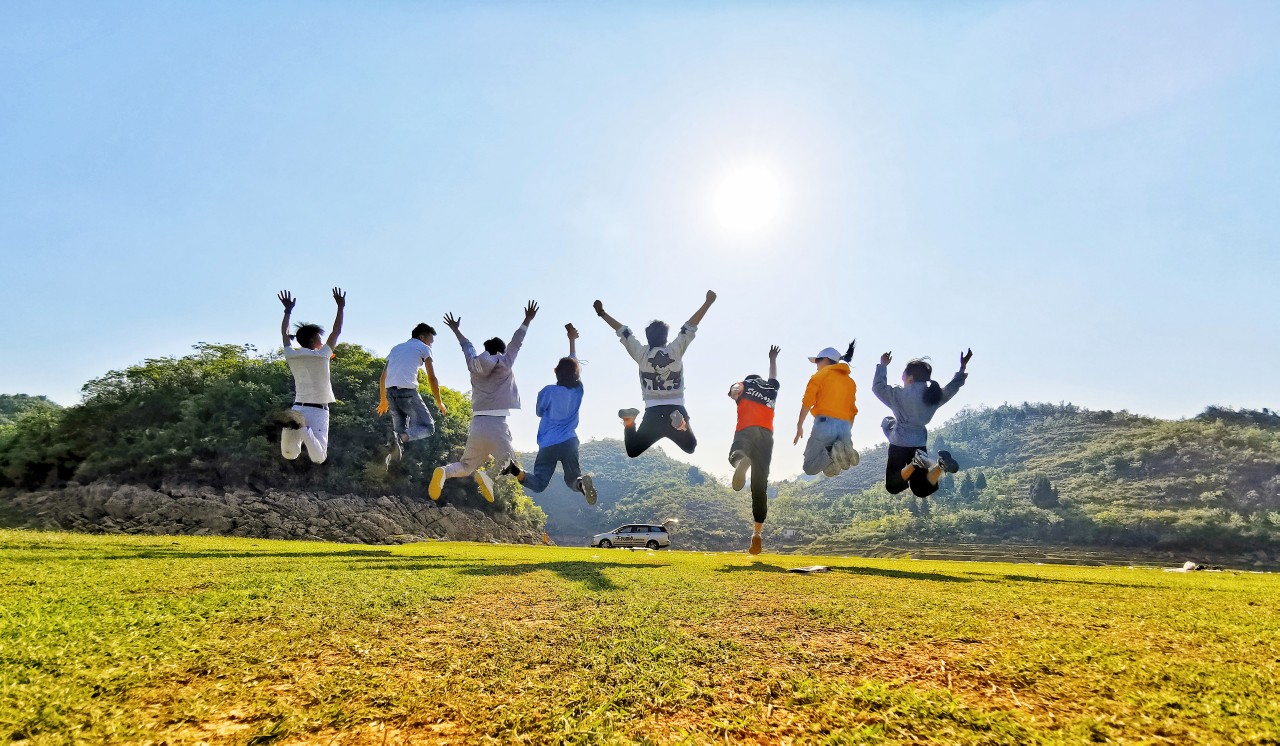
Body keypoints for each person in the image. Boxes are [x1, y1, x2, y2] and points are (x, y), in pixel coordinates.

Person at [428, 301, 538, 503]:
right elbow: (517, 342)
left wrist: (456, 330)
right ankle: (488, 477)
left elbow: (467, 347)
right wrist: (527, 320)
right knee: (510, 462)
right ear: (502, 351)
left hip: (477, 425)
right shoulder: (505, 362)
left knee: (466, 466)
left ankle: (444, 472)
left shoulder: (474, 364)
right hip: (497, 424)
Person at [593, 290, 717, 458]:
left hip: (653, 412)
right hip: (676, 407)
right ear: (666, 338)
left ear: (648, 337)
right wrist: (708, 302)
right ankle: (680, 425)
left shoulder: (642, 353)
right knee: (690, 446)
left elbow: (623, 331)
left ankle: (629, 421)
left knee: (633, 450)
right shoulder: (675, 350)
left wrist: (602, 314)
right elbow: (690, 326)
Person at [502, 323, 597, 505]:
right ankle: (580, 484)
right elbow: (574, 363)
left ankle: (513, 470)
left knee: (538, 484)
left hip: (548, 444)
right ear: (576, 374)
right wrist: (572, 340)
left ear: (555, 372)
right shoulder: (578, 390)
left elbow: (539, 412)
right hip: (569, 441)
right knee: (572, 479)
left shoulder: (547, 392)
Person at [873, 349, 973, 498]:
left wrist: (883, 365)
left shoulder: (898, 395)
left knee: (893, 486)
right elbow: (952, 387)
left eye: (903, 375)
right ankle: (940, 464)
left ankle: (915, 463)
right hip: (919, 443)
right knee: (922, 489)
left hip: (899, 444)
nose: (901, 377)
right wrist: (962, 368)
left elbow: (877, 387)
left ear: (910, 378)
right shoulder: (933, 395)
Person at [276, 288, 345, 464]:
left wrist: (287, 311)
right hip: (318, 411)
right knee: (319, 458)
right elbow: (336, 332)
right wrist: (341, 306)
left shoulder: (291, 355)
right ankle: (304, 428)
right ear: (315, 341)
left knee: (289, 454)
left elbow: (284, 334)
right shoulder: (322, 355)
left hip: (297, 408)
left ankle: (295, 426)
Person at [728, 345, 781, 555]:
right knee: (759, 488)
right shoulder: (771, 389)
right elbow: (774, 376)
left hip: (746, 430)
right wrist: (772, 358)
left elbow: (734, 389)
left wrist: (735, 391)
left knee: (736, 453)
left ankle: (740, 462)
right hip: (767, 437)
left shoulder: (746, 383)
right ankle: (757, 534)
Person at [376, 323, 448, 466]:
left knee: (400, 434)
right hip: (407, 393)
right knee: (428, 427)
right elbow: (432, 377)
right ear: (422, 337)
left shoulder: (395, 349)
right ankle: (398, 441)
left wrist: (383, 400)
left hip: (391, 393)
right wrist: (439, 401)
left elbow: (383, 376)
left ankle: (388, 457)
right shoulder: (424, 348)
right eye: (430, 341)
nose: (431, 345)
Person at [794, 341, 859, 477]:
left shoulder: (820, 376)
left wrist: (799, 425)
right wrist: (845, 434)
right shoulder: (850, 382)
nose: (816, 366)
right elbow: (852, 411)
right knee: (829, 471)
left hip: (824, 425)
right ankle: (842, 448)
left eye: (818, 361)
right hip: (844, 428)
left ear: (826, 360)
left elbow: (807, 402)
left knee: (810, 467)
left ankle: (833, 451)